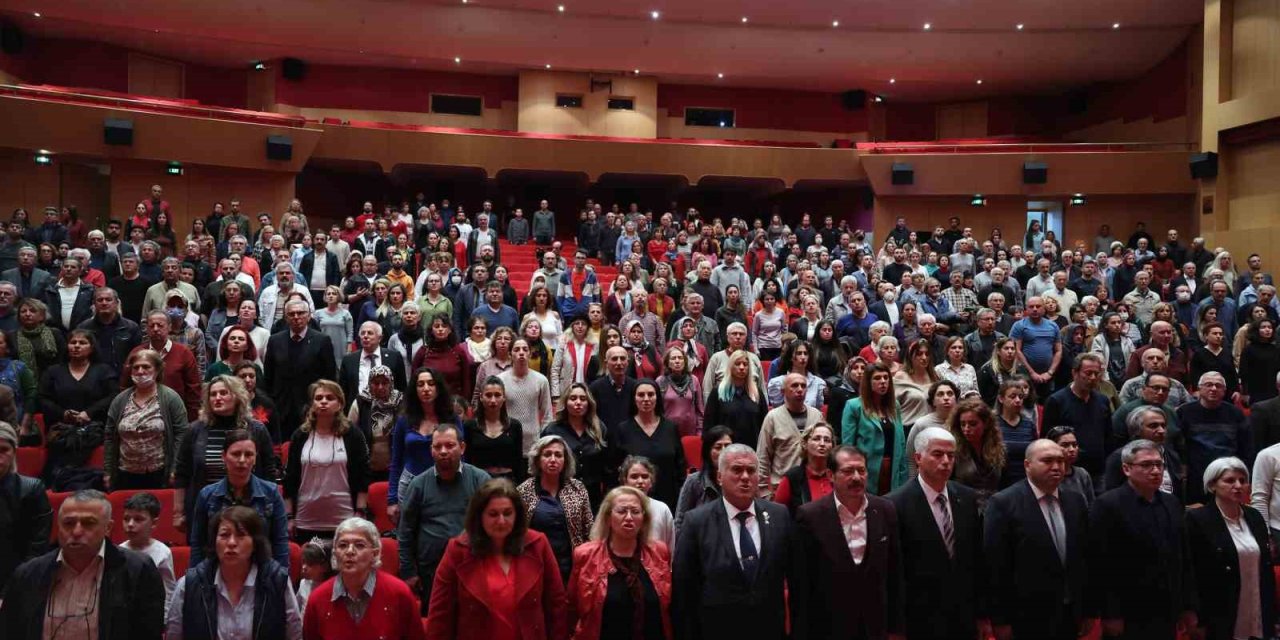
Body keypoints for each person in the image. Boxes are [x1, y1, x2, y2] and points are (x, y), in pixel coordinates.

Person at [0, 489, 165, 640]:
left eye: (88, 523)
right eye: (68, 523)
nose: (77, 531)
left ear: (108, 528)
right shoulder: (28, 574)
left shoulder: (137, 570)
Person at [672, 444, 796, 640]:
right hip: (717, 629)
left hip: (769, 628)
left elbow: (795, 576)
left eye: (751, 471)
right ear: (720, 477)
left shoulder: (779, 515)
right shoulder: (696, 521)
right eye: (737, 470)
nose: (745, 477)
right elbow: (684, 589)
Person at [425, 478, 568, 640]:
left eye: (507, 513)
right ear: (479, 516)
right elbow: (440, 616)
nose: (501, 521)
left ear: (517, 515)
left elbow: (556, 606)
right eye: (493, 514)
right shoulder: (458, 551)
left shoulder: (538, 545)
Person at [1088, 439, 1198, 640]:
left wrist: (1188, 606)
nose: (1156, 470)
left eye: (1159, 465)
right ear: (1126, 469)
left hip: (1166, 606)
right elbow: (1101, 564)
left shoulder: (1171, 503)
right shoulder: (1107, 505)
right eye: (1146, 465)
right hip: (1129, 609)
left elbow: (1183, 557)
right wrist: (1110, 613)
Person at [792, 445, 904, 640]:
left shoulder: (885, 509)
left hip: (875, 625)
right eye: (847, 471)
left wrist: (896, 628)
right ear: (830, 475)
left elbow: (895, 573)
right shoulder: (810, 516)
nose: (856, 477)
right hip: (829, 625)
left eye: (861, 470)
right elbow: (802, 583)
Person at [984, 439, 1091, 640]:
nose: (1057, 467)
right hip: (1025, 617)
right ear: (1027, 465)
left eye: (1060, 461)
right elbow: (996, 567)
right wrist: (1001, 620)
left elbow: (1085, 558)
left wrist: (1088, 610)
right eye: (1047, 461)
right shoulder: (1003, 503)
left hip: (1069, 612)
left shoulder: (1076, 500)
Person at [887, 427, 987, 640]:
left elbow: (977, 560)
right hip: (920, 618)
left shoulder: (967, 497)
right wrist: (896, 626)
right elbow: (894, 572)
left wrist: (981, 614)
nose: (946, 461)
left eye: (951, 455)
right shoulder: (895, 504)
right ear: (918, 458)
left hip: (964, 615)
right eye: (937, 454)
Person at [165, 505, 302, 639]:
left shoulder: (277, 581)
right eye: (224, 535)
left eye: (241, 535)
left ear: (255, 543)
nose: (231, 542)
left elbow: (294, 635)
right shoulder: (189, 584)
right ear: (214, 542)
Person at [397, 423, 491, 610]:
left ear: (462, 447)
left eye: (449, 445)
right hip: (431, 571)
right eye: (437, 446)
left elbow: (492, 525)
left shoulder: (480, 480)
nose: (443, 451)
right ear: (431, 450)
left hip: (474, 567)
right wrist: (408, 571)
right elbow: (405, 531)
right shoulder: (418, 484)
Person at [566, 485, 672, 640]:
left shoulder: (659, 552)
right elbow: (571, 609)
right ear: (608, 518)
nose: (629, 517)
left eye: (635, 512)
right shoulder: (585, 555)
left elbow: (669, 609)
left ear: (644, 518)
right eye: (622, 511)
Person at [173, 375, 276, 526]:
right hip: (205, 509)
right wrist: (178, 513)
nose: (217, 398)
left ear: (236, 396)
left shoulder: (257, 429)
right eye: (213, 394)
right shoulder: (195, 430)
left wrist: (269, 507)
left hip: (249, 509)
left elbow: (269, 472)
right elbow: (182, 473)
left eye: (223, 393)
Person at [304, 517, 426, 640]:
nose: (350, 551)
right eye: (343, 545)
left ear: (375, 553)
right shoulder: (317, 599)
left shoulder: (399, 593)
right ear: (335, 553)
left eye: (359, 545)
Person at [188, 428, 290, 568]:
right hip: (217, 571)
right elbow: (198, 545)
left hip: (261, 572)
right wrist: (196, 580)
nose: (242, 460)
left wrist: (280, 580)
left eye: (248, 454)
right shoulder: (207, 495)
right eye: (236, 454)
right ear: (223, 456)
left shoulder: (271, 493)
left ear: (255, 459)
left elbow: (280, 543)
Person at [284, 380, 370, 541]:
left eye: (330, 398)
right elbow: (290, 478)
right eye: (318, 398)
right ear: (312, 404)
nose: (323, 401)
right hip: (305, 519)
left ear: (340, 404)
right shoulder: (300, 435)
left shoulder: (353, 434)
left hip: (344, 519)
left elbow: (362, 476)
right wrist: (289, 516)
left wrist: (360, 512)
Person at [105, 349, 189, 490]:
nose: (140, 371)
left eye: (146, 367)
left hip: (159, 473)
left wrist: (175, 468)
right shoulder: (120, 400)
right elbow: (109, 436)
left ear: (157, 370)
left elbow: (181, 434)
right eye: (136, 367)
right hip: (125, 472)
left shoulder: (170, 398)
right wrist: (108, 472)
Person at [517, 435, 595, 582]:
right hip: (535, 565)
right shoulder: (524, 490)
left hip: (572, 566)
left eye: (558, 455)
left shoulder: (577, 488)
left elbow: (589, 528)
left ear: (565, 461)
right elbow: (518, 532)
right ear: (538, 460)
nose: (553, 459)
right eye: (547, 454)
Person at [388, 367, 463, 514]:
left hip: (444, 482)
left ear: (438, 387)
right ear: (414, 390)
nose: (426, 389)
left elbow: (461, 456)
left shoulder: (451, 418)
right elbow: (396, 461)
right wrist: (392, 499)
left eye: (431, 383)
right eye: (420, 384)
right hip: (410, 484)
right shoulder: (404, 420)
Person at [262, 299, 338, 440]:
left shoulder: (322, 340)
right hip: (281, 408)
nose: (296, 317)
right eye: (292, 314)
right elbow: (269, 377)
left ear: (309, 316)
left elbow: (330, 377)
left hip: (311, 408)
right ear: (286, 317)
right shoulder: (274, 341)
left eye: (300, 313)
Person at [1178, 371, 1253, 504]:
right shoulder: (1184, 412)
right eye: (1208, 385)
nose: (1213, 389)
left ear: (1224, 391)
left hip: (1228, 474)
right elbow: (1178, 444)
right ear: (1199, 389)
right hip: (1195, 474)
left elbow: (1245, 446)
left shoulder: (1235, 414)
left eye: (1218, 386)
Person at [609, 380, 686, 508]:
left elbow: (680, 468)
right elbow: (614, 471)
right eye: (641, 395)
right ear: (634, 398)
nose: (646, 399)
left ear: (657, 397)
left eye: (651, 394)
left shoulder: (671, 428)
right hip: (633, 502)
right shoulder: (623, 429)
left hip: (668, 500)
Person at [1042, 353, 1109, 485]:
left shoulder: (1103, 401)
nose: (1093, 378)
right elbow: (1047, 439)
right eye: (1088, 373)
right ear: (1075, 373)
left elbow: (1108, 437)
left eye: (1097, 373)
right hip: (1067, 472)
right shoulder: (1056, 401)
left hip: (1098, 472)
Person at [841, 361, 907, 495]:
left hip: (892, 469)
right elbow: (848, 446)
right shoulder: (854, 406)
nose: (883, 381)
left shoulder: (895, 406)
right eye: (877, 378)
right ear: (868, 382)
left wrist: (902, 475)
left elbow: (901, 443)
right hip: (866, 469)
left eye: (886, 377)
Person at [756, 373, 824, 499]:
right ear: (783, 391)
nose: (799, 390)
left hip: (811, 486)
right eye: (794, 386)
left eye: (803, 386)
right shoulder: (773, 417)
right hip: (781, 487)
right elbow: (763, 456)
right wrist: (764, 492)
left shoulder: (816, 416)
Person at [0, 420, 50, 591]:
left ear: (14, 452)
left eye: (4, 450)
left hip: (17, 579)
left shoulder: (32, 489)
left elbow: (37, 548)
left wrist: (12, 591)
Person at [119, 493, 175, 611]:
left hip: (152, 612)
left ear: (154, 523)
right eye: (126, 519)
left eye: (138, 519)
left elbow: (168, 590)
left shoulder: (163, 552)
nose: (130, 524)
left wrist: (164, 618)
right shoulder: (119, 550)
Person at [464, 376, 526, 482]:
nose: (493, 400)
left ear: (504, 397)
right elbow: (467, 461)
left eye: (497, 395)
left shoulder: (515, 426)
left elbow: (518, 462)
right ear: (481, 397)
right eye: (488, 395)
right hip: (479, 482)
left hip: (508, 483)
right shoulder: (470, 426)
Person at [948, 398, 1005, 510]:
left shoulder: (999, 449)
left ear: (986, 424)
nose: (966, 429)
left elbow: (1004, 483)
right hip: (964, 509)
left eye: (972, 424)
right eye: (962, 424)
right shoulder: (953, 451)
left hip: (994, 510)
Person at [703, 349, 769, 447]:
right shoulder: (718, 392)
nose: (742, 367)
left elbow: (764, 426)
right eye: (737, 364)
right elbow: (709, 426)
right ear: (730, 367)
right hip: (726, 450)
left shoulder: (757, 393)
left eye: (745, 364)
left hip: (752, 449)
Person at [339, 322, 408, 412]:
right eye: (363, 333)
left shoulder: (394, 357)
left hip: (388, 411)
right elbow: (343, 390)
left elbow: (401, 387)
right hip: (358, 411)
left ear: (380, 338)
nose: (365, 336)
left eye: (370, 333)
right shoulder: (349, 360)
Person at [770, 422, 835, 516]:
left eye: (827, 440)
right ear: (805, 444)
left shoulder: (837, 475)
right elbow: (777, 515)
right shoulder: (792, 478)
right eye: (816, 439)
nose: (822, 444)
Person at [1010, 296, 1061, 402]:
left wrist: (1050, 372)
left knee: (1046, 406)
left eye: (1038, 306)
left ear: (1044, 308)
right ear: (1026, 309)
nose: (1034, 309)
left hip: (1048, 376)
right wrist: (1032, 372)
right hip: (1025, 375)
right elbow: (1017, 350)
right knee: (1026, 404)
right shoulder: (1019, 325)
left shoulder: (1053, 326)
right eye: (1031, 306)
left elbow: (1058, 351)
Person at [619, 456, 675, 550]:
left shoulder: (662, 509)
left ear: (651, 482)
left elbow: (670, 547)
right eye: (634, 477)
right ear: (625, 481)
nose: (640, 481)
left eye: (645, 477)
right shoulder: (615, 508)